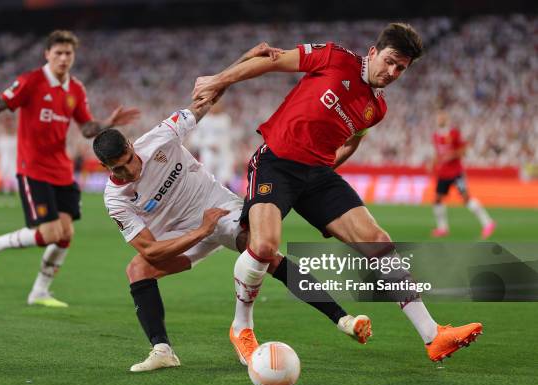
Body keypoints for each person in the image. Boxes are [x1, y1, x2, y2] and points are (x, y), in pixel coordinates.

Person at [193, 23, 483, 362]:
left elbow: (352, 140)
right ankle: (241, 327)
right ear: (373, 52)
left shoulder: (377, 109)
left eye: (401, 69)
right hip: (277, 163)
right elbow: (273, 61)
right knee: (264, 246)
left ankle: (433, 335)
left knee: (378, 241)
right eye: (389, 61)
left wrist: (331, 168)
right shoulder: (334, 57)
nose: (392, 72)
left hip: (317, 174)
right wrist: (219, 79)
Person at [93, 43, 371, 373]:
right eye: (118, 169)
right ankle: (163, 350)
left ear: (130, 145)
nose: (129, 171)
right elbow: (151, 250)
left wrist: (246, 60)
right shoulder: (115, 198)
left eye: (128, 160)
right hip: (185, 234)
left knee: (264, 252)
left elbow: (208, 97)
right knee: (137, 269)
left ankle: (341, 319)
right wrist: (201, 231)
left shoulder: (159, 137)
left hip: (218, 207)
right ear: (104, 167)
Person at [0, 30, 140, 307]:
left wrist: (106, 122)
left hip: (61, 169)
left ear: (73, 57)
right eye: (58, 53)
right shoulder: (31, 81)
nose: (63, 58)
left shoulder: (75, 89)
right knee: (50, 233)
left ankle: (39, 291)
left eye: (68, 54)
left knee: (65, 235)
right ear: (47, 55)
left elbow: (87, 128)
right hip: (33, 168)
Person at [429, 109, 496, 239]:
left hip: (456, 173)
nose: (440, 119)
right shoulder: (435, 136)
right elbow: (438, 153)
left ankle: (488, 223)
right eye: (439, 117)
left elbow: (463, 149)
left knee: (466, 198)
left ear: (446, 119)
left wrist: (452, 155)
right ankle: (442, 228)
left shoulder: (454, 133)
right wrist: (433, 163)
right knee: (437, 199)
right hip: (443, 174)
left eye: (442, 117)